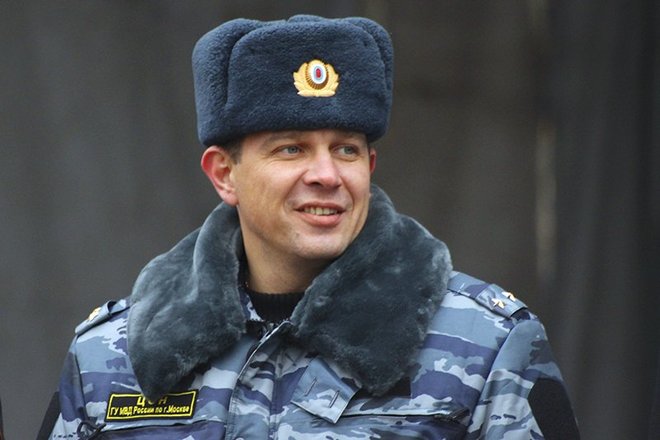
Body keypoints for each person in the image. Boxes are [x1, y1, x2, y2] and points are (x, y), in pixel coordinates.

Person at [43, 15, 579, 439]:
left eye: (346, 149)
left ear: (369, 167)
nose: (326, 175)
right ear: (224, 174)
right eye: (291, 149)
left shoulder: (488, 348)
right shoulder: (110, 358)